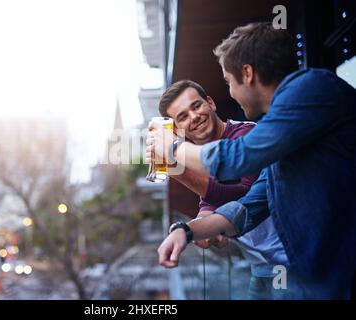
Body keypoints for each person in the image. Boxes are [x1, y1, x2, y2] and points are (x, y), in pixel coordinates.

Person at [148, 22, 356, 299]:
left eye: (228, 82)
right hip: (309, 272)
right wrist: (184, 231)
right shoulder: (283, 128)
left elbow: (236, 161)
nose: (231, 92)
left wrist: (172, 150)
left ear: (247, 74)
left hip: (329, 272)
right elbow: (250, 205)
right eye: (182, 117)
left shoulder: (310, 90)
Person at [158, 79, 288, 299]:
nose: (194, 117)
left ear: (210, 103)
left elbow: (243, 193)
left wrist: (175, 169)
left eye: (196, 106)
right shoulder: (202, 158)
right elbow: (209, 205)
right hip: (261, 265)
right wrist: (195, 230)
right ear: (177, 129)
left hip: (288, 262)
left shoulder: (246, 135)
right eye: (183, 117)